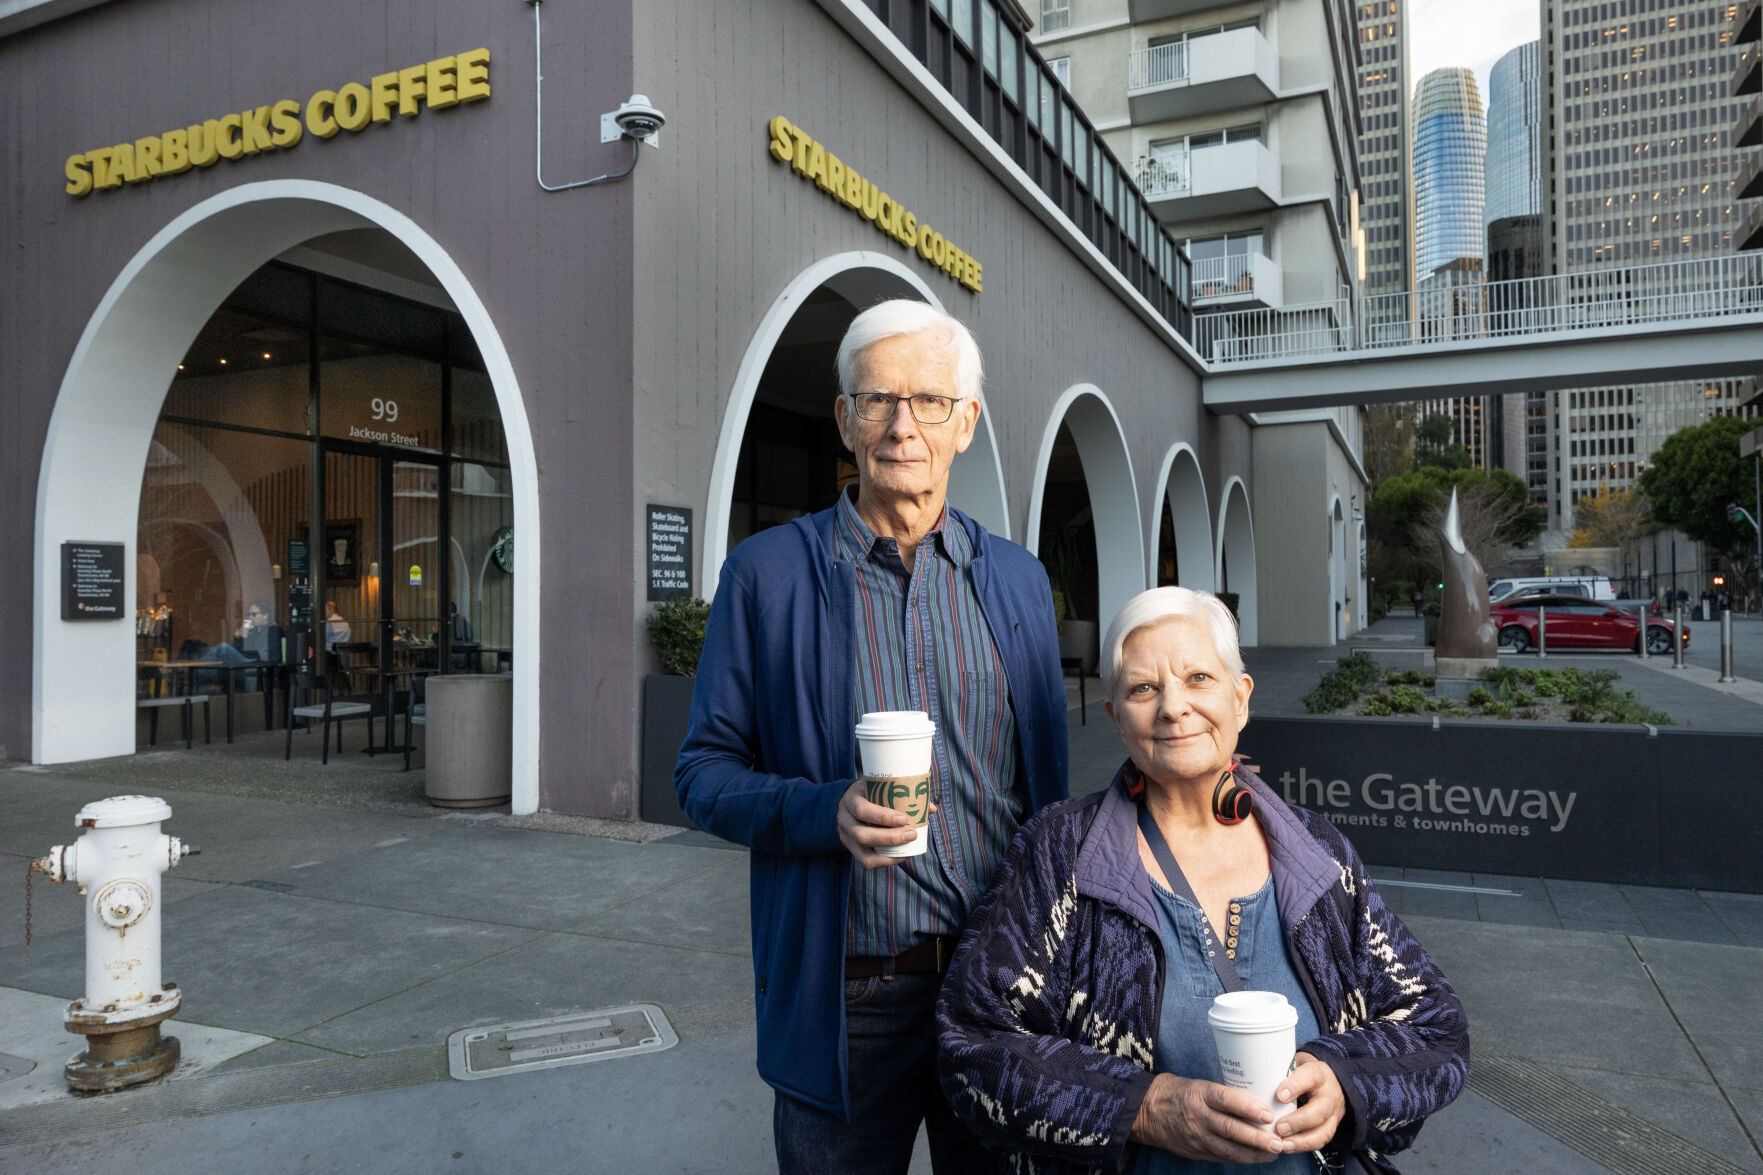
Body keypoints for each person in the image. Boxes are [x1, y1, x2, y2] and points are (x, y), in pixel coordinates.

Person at [675, 300, 1069, 1173]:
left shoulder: (1017, 580)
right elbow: (701, 773)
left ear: (965, 422)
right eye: (878, 399)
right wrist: (825, 811)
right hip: (850, 996)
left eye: (929, 400)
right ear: (845, 418)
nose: (902, 425)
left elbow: (1045, 792)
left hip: (999, 987)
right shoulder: (767, 575)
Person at [938, 587, 1468, 1174]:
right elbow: (971, 1046)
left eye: (1198, 678)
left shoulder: (1319, 855)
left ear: (1240, 700)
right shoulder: (1060, 852)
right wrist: (1142, 1107)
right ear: (1116, 716)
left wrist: (1345, 1081)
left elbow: (1436, 1027)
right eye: (1144, 688)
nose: (1173, 707)